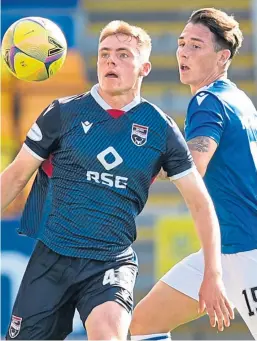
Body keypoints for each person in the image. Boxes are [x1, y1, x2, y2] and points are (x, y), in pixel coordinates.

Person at [1, 20, 233, 341]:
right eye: (104, 54)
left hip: (111, 260)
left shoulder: (160, 129)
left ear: (144, 68)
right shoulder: (62, 113)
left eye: (123, 54)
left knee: (108, 334)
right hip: (53, 256)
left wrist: (213, 273)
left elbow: (200, 202)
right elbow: (14, 177)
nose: (111, 61)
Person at [130, 8, 257, 341]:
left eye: (196, 45)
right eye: (181, 43)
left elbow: (193, 167)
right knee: (144, 324)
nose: (183, 51)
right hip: (223, 247)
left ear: (222, 56)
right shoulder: (238, 98)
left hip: (247, 250)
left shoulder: (207, 99)